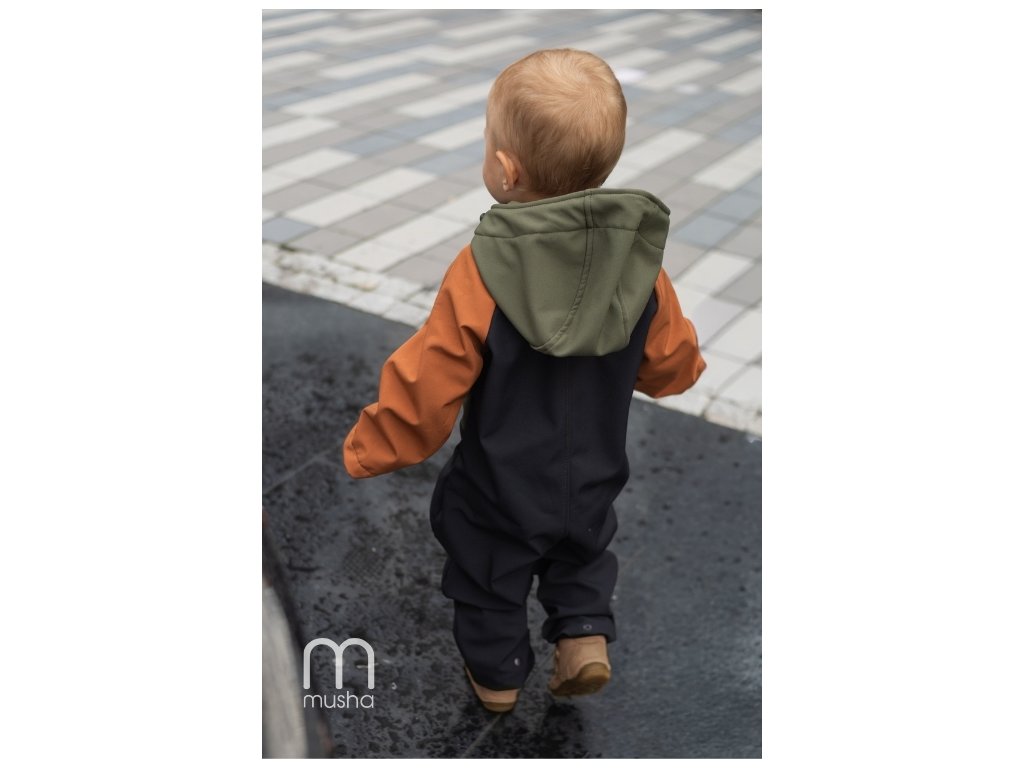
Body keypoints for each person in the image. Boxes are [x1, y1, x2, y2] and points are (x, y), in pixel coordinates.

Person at [342, 48, 706, 712]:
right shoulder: (639, 268)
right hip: (594, 472)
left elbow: (431, 378)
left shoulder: (482, 271)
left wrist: (376, 444)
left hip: (500, 483)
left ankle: (499, 679)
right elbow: (670, 361)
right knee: (582, 554)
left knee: (487, 572)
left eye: (488, 140)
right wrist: (682, 372)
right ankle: (583, 635)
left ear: (506, 171)